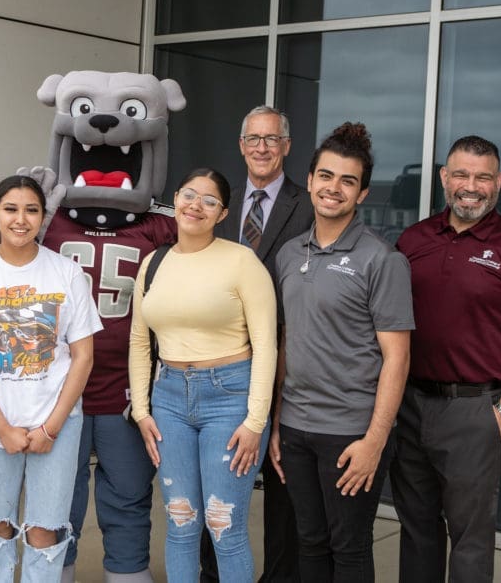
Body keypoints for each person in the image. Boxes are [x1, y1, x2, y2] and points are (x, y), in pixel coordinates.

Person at [32, 69, 185, 583]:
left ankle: (128, 573)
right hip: (61, 391)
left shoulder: (164, 224)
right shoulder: (45, 218)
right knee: (58, 502)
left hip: (128, 393)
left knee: (127, 499)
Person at [390, 135, 501, 582]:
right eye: (462, 174)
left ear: (498, 182)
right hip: (409, 405)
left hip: (475, 410)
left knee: (470, 538)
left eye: (483, 176)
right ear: (445, 179)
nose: (472, 185)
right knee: (416, 530)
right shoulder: (413, 240)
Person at [270, 122, 413, 582]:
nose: (334, 189)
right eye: (326, 176)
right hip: (295, 427)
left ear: (363, 193)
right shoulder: (290, 254)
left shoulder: (382, 260)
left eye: (348, 181)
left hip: (350, 432)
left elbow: (398, 358)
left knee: (348, 548)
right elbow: (287, 342)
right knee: (308, 542)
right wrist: (275, 422)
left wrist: (374, 442)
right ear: (309, 181)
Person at [0, 175, 103, 582]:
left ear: (42, 216)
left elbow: (83, 357)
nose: (21, 219)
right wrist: (2, 428)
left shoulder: (67, 273)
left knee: (45, 529)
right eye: (11, 209)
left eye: (31, 210)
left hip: (56, 424)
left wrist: (50, 428)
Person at [129, 167, 278, 583]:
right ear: (175, 198)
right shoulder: (154, 263)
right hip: (169, 399)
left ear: (223, 213)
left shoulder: (241, 262)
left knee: (223, 525)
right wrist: (141, 411)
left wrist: (255, 421)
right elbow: (140, 341)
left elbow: (266, 345)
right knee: (180, 522)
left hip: (230, 398)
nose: (196, 205)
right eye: (189, 194)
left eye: (209, 200)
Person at [211, 106, 314, 583]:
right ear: (240, 144)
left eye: (272, 139)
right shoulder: (217, 201)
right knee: (216, 478)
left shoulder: (308, 203)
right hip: (220, 361)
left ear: (287, 146)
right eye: (253, 138)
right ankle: (212, 574)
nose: (262, 147)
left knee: (281, 483)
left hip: (286, 358)